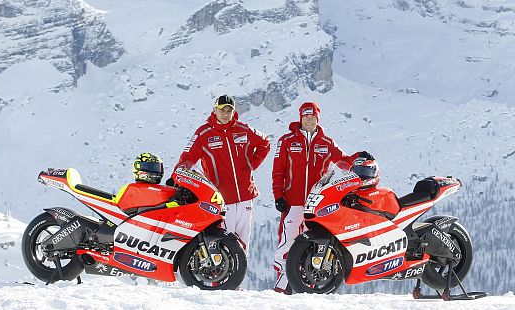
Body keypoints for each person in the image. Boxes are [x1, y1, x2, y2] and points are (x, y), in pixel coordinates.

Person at [271, 101, 372, 293]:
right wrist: (279, 196)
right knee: (287, 243)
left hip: (317, 203)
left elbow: (343, 160)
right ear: (301, 118)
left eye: (313, 117)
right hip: (293, 202)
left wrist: (358, 156)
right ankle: (283, 287)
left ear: (317, 119)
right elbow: (278, 171)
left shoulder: (326, 143)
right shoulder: (286, 141)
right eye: (306, 117)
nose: (309, 121)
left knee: (313, 245)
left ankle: (307, 286)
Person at [175, 95, 271, 254]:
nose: (225, 114)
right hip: (221, 199)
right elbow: (187, 158)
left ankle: (240, 270)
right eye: (222, 110)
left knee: (243, 245)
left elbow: (265, 142)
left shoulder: (244, 129)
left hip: (246, 196)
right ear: (214, 110)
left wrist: (252, 164)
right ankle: (220, 271)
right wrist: (177, 177)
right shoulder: (203, 133)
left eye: (229, 111)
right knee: (224, 244)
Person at [113, 152, 177, 211]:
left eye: (157, 168)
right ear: (138, 167)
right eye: (149, 167)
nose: (155, 171)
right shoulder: (133, 187)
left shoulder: (155, 188)